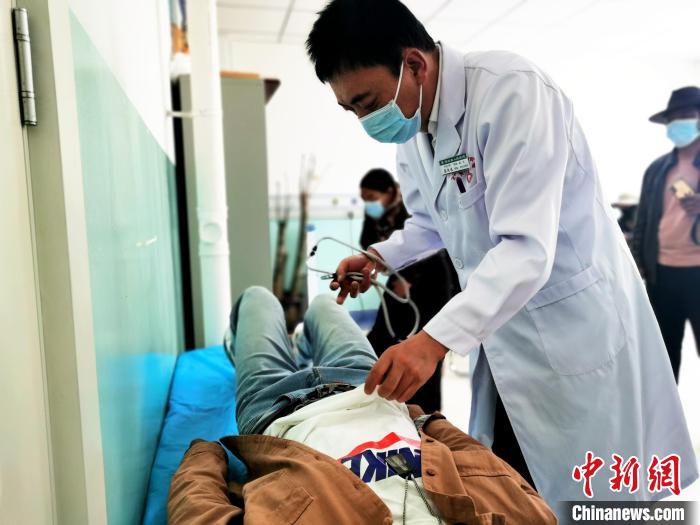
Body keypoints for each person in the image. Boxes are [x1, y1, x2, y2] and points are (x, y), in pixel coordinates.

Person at [305, 0, 698, 511]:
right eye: (352, 110)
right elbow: (431, 221)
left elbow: (526, 247)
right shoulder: (415, 127)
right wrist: (379, 255)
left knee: (594, 492)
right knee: (518, 485)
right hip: (504, 333)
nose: (366, 120)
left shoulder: (512, 93)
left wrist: (430, 343)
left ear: (414, 64)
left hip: (572, 326)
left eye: (367, 102)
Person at [167, 287, 556, 524]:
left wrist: (206, 453)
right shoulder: (522, 518)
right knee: (325, 304)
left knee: (256, 298)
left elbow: (200, 512)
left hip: (276, 409)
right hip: (367, 388)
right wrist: (425, 421)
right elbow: (479, 458)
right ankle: (303, 345)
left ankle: (265, 349)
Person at [359, 168, 460, 413]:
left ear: (390, 191)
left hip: (432, 282)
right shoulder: (376, 213)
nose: (369, 204)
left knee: (422, 348)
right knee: (380, 337)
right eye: (365, 199)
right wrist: (373, 260)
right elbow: (368, 240)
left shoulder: (412, 206)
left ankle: (425, 414)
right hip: (397, 279)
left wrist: (409, 279)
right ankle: (380, 399)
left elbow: (431, 244)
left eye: (372, 197)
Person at [632, 86, 700, 383]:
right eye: (673, 118)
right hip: (662, 275)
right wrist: (640, 263)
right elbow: (644, 219)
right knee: (663, 356)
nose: (678, 123)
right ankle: (666, 414)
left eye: (686, 114)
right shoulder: (657, 169)